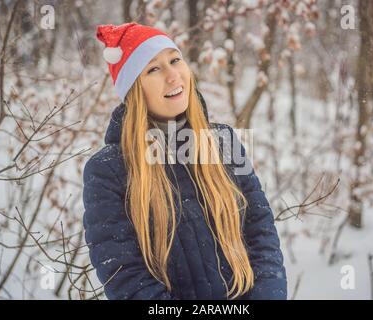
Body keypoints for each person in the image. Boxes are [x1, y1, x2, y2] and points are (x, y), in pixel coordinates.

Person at [82, 22, 287, 300]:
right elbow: (126, 277)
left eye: (175, 60)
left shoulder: (223, 140)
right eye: (153, 69)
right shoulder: (108, 171)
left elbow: (261, 232)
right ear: (133, 91)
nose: (172, 76)